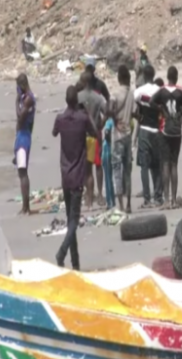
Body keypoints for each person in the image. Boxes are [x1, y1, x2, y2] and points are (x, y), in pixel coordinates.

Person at [53, 86, 98, 270]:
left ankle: (75, 263)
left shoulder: (60, 119)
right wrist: (86, 112)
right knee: (74, 220)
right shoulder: (82, 118)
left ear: (65, 100)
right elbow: (95, 132)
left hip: (65, 173)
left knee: (71, 219)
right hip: (78, 174)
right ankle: (62, 252)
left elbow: (54, 132)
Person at [150, 66, 182, 209]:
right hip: (177, 130)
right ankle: (174, 200)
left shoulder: (162, 91)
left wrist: (161, 109)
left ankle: (166, 200)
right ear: (176, 77)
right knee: (174, 164)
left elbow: (151, 101)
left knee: (165, 163)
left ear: (167, 77)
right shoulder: (180, 91)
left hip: (165, 129)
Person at [133, 64, 164, 208]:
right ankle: (158, 196)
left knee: (144, 166)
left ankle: (147, 199)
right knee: (157, 165)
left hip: (144, 129)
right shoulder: (160, 91)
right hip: (156, 130)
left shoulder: (139, 92)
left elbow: (137, 105)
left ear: (144, 76)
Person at [108, 65, 136, 213]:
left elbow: (109, 109)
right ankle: (129, 204)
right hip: (128, 135)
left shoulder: (115, 93)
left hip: (118, 137)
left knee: (117, 170)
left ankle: (121, 205)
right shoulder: (131, 94)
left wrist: (114, 120)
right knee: (127, 171)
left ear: (119, 78)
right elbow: (135, 112)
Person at [78, 71, 107, 209]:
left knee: (86, 167)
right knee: (98, 164)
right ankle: (100, 194)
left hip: (82, 135)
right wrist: (102, 123)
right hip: (96, 134)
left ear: (84, 83)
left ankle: (88, 196)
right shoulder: (98, 97)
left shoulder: (78, 97)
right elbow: (107, 111)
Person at [14, 74, 36, 215]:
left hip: (23, 136)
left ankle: (25, 207)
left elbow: (21, 118)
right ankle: (25, 206)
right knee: (21, 171)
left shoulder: (28, 99)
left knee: (23, 172)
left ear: (22, 85)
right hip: (22, 135)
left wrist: (16, 102)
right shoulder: (26, 98)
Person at [102, 117, 116, 210]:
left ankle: (109, 201)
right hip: (115, 150)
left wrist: (110, 142)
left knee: (108, 177)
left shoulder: (109, 121)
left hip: (107, 150)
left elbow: (107, 133)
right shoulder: (116, 120)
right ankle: (113, 201)